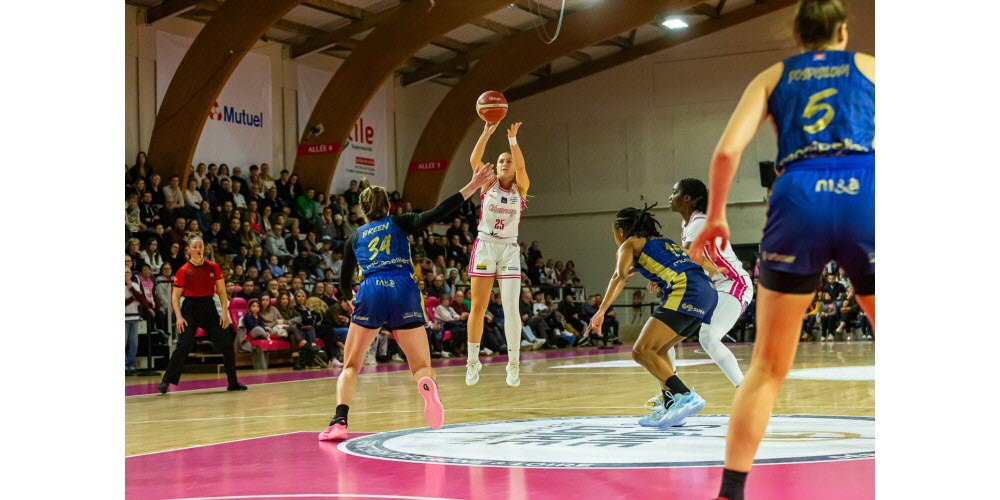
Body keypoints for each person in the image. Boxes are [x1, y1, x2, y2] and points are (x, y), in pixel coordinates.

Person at [689, 2, 875, 497]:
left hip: (797, 197)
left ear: (796, 35)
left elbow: (727, 151)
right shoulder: (871, 68)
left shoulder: (772, 76)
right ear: (842, 31)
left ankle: (730, 492)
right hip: (863, 189)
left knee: (768, 368)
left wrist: (717, 214)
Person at [318, 163, 495, 441]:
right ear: (387, 206)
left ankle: (339, 421)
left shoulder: (354, 237)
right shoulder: (399, 222)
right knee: (421, 365)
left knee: (351, 366)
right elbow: (440, 211)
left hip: (371, 289)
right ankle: (425, 382)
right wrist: (472, 185)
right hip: (404, 288)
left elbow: (343, 282)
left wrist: (351, 298)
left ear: (364, 211)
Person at [585, 205, 717, 430]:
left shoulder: (629, 244)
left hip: (688, 290)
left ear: (621, 230)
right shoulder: (665, 243)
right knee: (659, 350)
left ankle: (685, 395)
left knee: (641, 351)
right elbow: (700, 261)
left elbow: (619, 277)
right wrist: (707, 271)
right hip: (707, 293)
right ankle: (671, 404)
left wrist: (601, 311)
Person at [648, 178, 753, 411]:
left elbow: (687, 256)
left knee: (708, 337)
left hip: (732, 283)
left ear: (687, 198)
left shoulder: (700, 221)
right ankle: (671, 394)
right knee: (664, 337)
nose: (670, 196)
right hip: (710, 288)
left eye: (674, 192)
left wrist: (655, 268)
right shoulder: (688, 225)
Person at [464, 120, 530, 388]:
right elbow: (474, 159)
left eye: (508, 161)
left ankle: (513, 364)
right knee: (478, 307)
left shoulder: (520, 187)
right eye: (501, 160)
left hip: (509, 249)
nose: (504, 163)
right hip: (486, 246)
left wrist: (513, 141)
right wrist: (486, 132)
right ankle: (472, 361)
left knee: (511, 308)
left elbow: (522, 167)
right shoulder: (488, 183)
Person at [157, 237, 247, 394]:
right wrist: (179, 317)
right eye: (195, 246)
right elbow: (175, 296)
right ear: (189, 249)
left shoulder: (213, 267)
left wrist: (224, 313)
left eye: (201, 246)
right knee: (184, 345)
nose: (199, 249)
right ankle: (166, 381)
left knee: (227, 343)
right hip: (189, 309)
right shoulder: (183, 270)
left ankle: (233, 383)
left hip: (209, 307)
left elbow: (221, 291)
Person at [126, 268, 154, 376]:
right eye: (124, 273)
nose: (126, 274)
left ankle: (131, 365)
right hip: (123, 318)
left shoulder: (135, 285)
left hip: (134, 317)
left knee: (134, 344)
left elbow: (141, 298)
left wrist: (131, 288)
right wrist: (133, 297)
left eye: (128, 272)